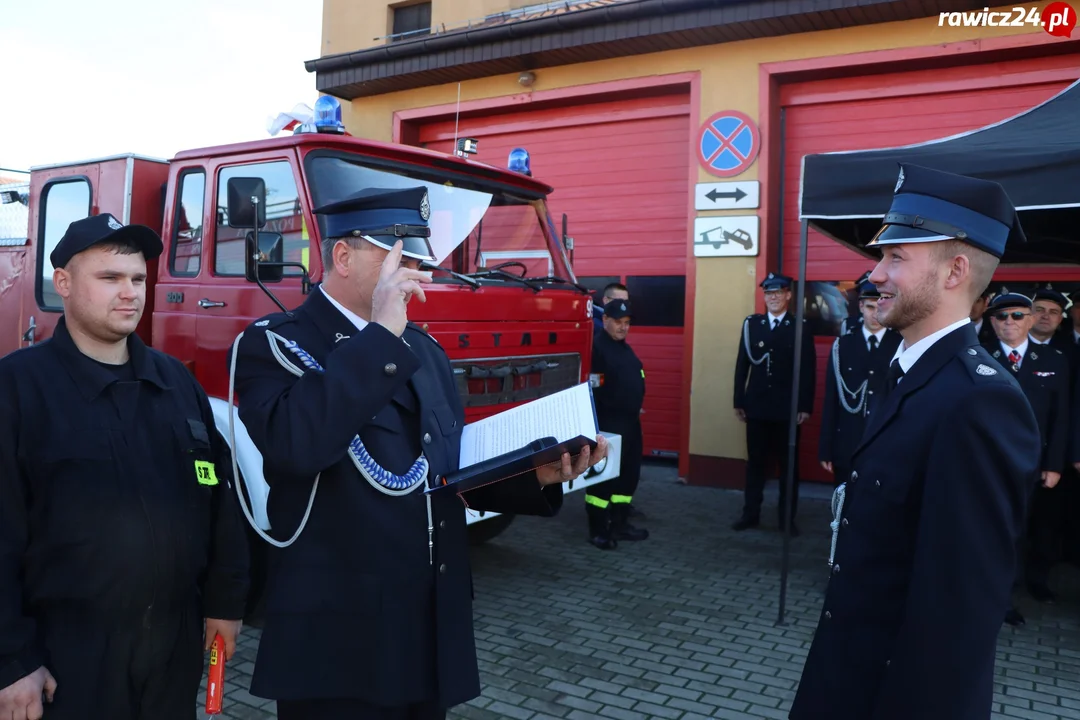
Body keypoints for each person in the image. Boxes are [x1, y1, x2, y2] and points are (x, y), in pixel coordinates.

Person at [230, 186, 608, 720]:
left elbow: (444, 475)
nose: (418, 276)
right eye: (401, 259)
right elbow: (297, 446)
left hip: (426, 617)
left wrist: (536, 475)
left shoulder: (423, 349)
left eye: (420, 261)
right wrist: (381, 334)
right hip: (340, 633)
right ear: (343, 256)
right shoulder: (274, 342)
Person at [789, 163, 1042, 720]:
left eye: (896, 257)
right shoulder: (905, 370)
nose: (874, 274)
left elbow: (959, 615)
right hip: (845, 677)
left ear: (954, 272)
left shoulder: (980, 402)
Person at [0, 214, 249, 720]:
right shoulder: (19, 389)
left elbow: (220, 498)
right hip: (64, 659)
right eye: (110, 279)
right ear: (64, 284)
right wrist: (12, 659)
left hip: (171, 653)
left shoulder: (174, 383)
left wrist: (225, 601)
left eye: (138, 279)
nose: (130, 292)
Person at [981, 289, 1069, 618]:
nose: (1009, 322)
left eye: (1018, 315)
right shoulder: (977, 356)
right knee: (983, 530)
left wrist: (1054, 465)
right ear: (991, 321)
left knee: (1016, 531)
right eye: (1001, 316)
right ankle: (983, 594)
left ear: (1030, 320)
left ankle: (1005, 599)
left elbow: (1060, 418)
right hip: (985, 463)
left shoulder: (1054, 361)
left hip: (1029, 465)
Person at [732, 272, 816, 535]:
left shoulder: (799, 326)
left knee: (788, 468)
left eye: (778, 293)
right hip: (757, 407)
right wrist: (739, 399)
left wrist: (804, 405)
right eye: (769, 293)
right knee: (755, 464)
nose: (773, 298)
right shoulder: (752, 325)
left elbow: (808, 369)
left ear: (788, 295)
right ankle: (750, 514)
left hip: (786, 410)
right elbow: (742, 365)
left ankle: (786, 519)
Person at [819, 278, 902, 488]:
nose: (875, 314)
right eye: (869, 307)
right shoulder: (843, 346)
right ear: (861, 307)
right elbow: (831, 399)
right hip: (847, 442)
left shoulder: (902, 345)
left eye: (879, 307)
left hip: (885, 443)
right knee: (843, 505)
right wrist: (826, 448)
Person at [584, 299, 649, 549]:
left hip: (630, 423)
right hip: (609, 424)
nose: (623, 328)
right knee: (603, 479)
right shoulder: (598, 348)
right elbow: (595, 389)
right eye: (619, 323)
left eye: (627, 323)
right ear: (606, 321)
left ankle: (620, 524)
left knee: (628, 476)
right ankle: (598, 530)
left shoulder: (624, 348)